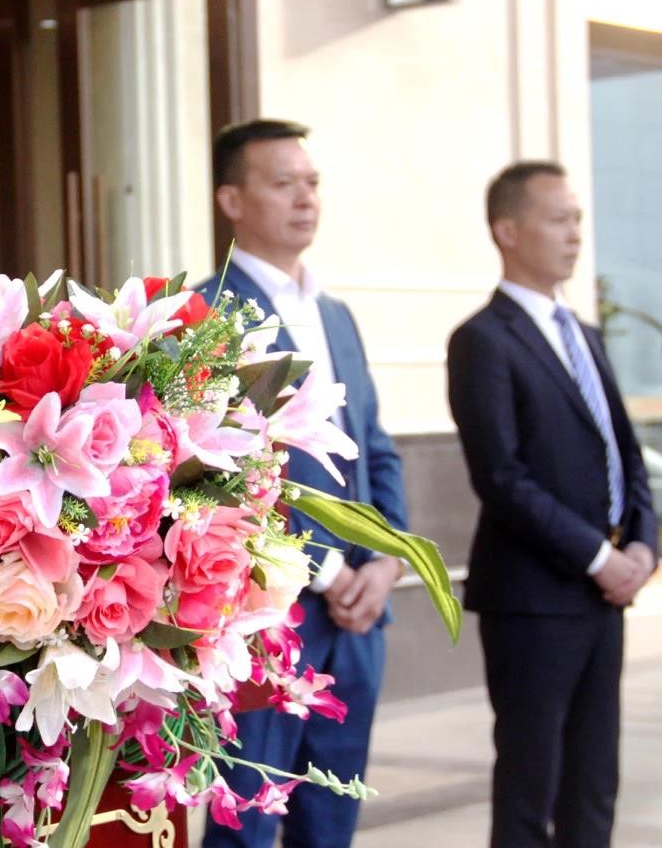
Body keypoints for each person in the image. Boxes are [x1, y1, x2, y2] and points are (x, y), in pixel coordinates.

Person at [197, 119, 409, 848]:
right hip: (266, 617)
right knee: (246, 826)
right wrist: (326, 568)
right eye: (283, 183)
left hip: (360, 618)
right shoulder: (208, 315)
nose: (305, 198)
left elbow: (375, 448)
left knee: (331, 825)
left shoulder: (335, 315)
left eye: (312, 182)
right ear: (232, 199)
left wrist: (386, 560)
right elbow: (219, 474)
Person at [446, 160, 658, 848]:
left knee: (594, 783)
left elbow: (624, 453)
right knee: (530, 786)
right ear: (508, 231)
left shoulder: (583, 334)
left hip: (603, 596)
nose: (574, 235)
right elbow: (501, 475)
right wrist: (597, 556)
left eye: (578, 220)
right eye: (558, 220)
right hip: (533, 600)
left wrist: (642, 543)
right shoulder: (483, 339)